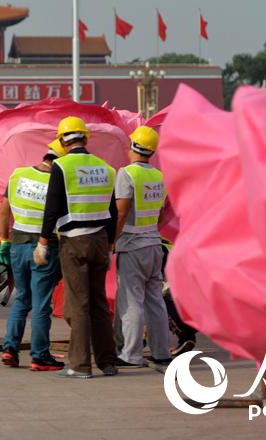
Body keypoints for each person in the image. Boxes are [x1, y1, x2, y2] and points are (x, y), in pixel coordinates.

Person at [36, 116, 118, 379]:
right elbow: (113, 211)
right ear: (85, 137)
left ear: (62, 140)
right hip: (100, 241)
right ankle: (108, 362)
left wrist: (43, 241)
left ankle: (80, 365)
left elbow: (53, 207)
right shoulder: (106, 168)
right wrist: (110, 242)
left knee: (79, 305)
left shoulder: (61, 166)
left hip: (74, 242)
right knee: (99, 305)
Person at [0, 147, 64, 371]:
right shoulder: (58, 182)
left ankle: (10, 349)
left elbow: (4, 211)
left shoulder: (19, 174)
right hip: (44, 248)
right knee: (41, 303)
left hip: (17, 244)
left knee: (22, 298)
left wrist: (4, 240)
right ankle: (39, 356)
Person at [112, 126, 172, 368]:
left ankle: (130, 354)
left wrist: (111, 241)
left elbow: (122, 212)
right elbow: (160, 215)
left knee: (131, 299)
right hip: (154, 244)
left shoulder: (126, 174)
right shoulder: (158, 176)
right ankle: (161, 352)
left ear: (134, 147)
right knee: (155, 300)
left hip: (132, 245)